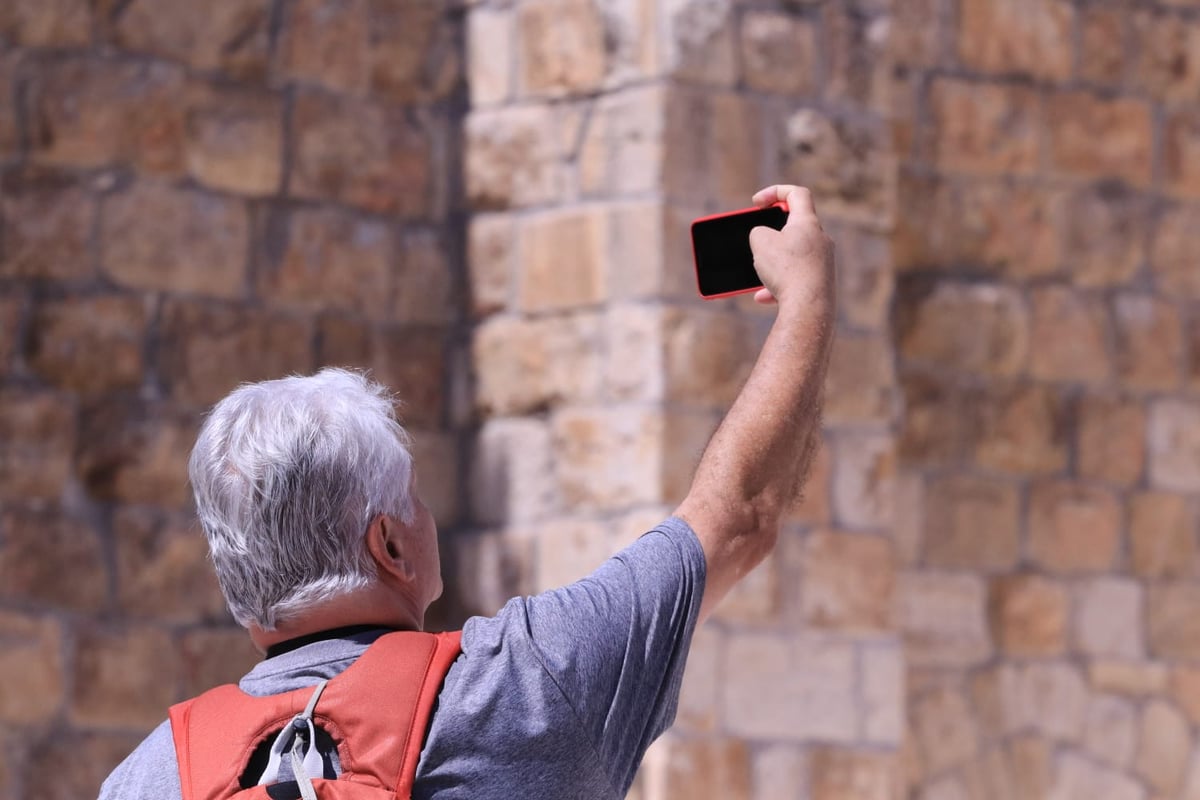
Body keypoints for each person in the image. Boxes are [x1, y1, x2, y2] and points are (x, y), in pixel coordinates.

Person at [98, 184, 835, 800]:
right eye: (412, 499)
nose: (426, 517)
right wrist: (805, 297)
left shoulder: (146, 777)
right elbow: (739, 513)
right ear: (387, 545)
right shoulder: (526, 682)